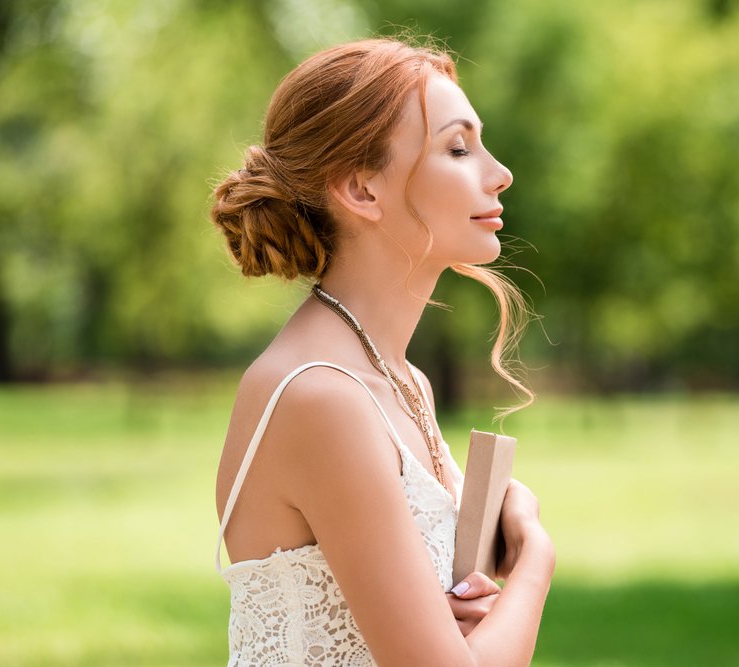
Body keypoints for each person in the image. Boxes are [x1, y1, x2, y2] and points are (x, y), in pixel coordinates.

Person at [209, 37, 555, 666]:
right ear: (363, 190)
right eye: (458, 148)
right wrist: (535, 560)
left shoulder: (403, 381)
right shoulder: (321, 397)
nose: (499, 173)